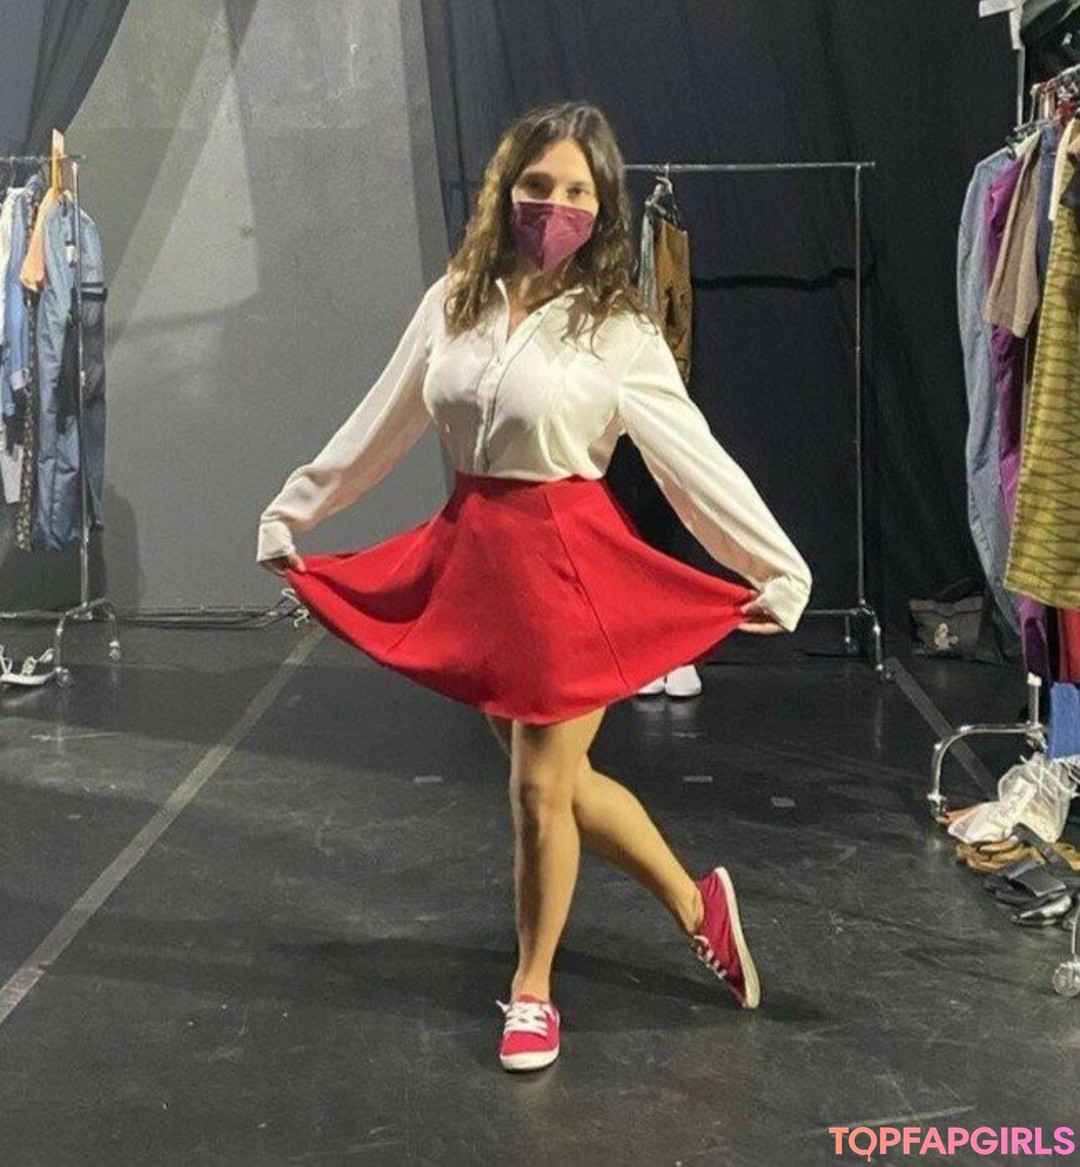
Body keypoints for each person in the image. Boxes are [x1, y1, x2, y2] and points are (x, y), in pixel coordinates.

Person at [257, 102, 812, 1073]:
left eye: (577, 191)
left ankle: (531, 990)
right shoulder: (453, 300)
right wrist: (294, 511)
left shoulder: (618, 330)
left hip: (567, 567)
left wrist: (776, 565)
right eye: (538, 184)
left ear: (603, 208)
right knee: (560, 788)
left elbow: (691, 461)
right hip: (475, 564)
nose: (555, 205)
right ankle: (698, 907)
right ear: (506, 189)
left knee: (534, 789)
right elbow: (382, 423)